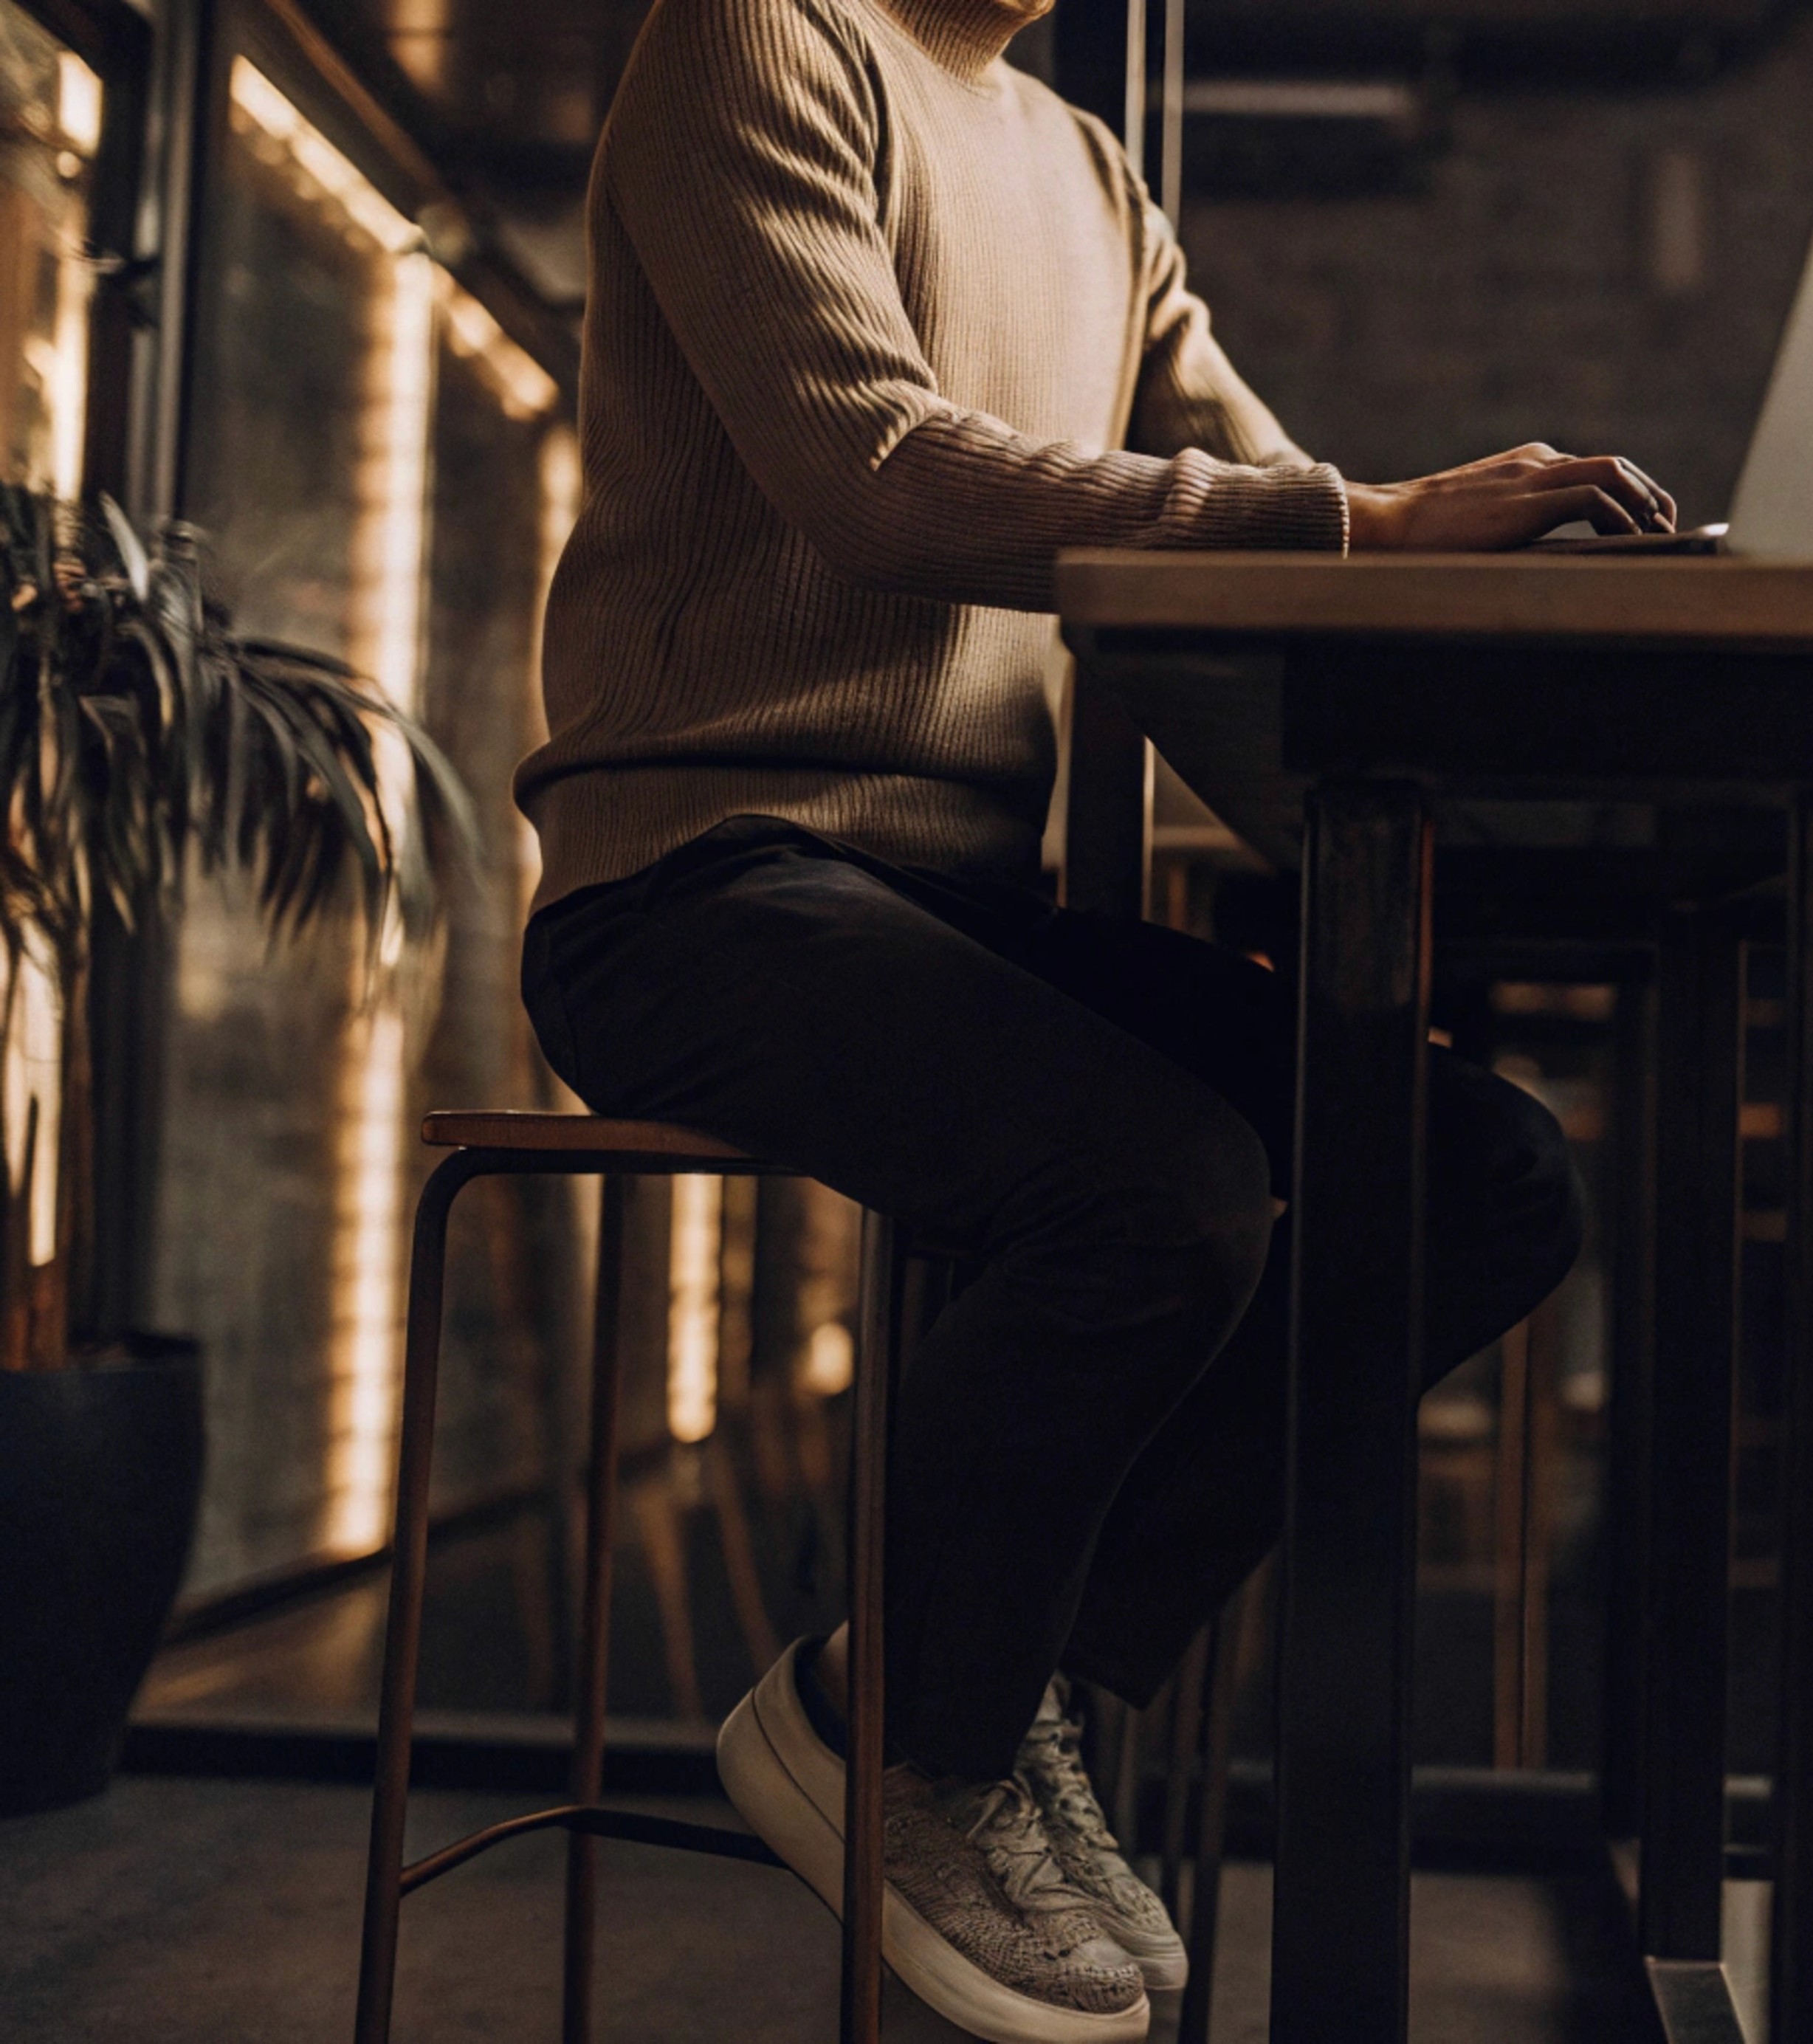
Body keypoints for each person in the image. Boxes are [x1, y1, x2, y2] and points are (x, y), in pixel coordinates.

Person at [515, 1, 1670, 2036]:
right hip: (693, 883)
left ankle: (954, 1678)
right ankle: (920, 1745)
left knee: (1483, 1174)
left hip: (954, 907)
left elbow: (1272, 506)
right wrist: (1363, 521)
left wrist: (1484, 576)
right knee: (1167, 1189)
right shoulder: (756, 40)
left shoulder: (1092, 174)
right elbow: (873, 474)